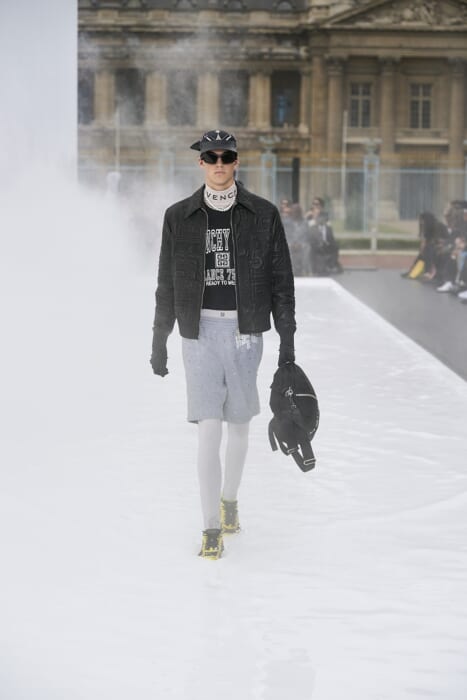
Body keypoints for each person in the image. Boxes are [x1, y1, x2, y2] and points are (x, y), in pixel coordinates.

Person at [150, 130, 296, 560]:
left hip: (246, 332)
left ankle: (229, 499)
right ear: (200, 162)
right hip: (198, 334)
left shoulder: (263, 215)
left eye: (225, 157)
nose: (218, 164)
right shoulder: (178, 216)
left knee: (239, 426)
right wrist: (159, 338)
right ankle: (210, 526)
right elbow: (166, 283)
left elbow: (282, 281)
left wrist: (287, 341)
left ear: (236, 161)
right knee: (208, 429)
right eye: (210, 157)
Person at [308, 201, 342, 276]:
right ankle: (314, 268)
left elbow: (331, 239)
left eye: (322, 217)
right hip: (316, 246)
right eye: (318, 217)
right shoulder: (311, 227)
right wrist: (318, 244)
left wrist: (328, 243)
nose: (320, 219)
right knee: (311, 248)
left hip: (326, 246)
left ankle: (331, 265)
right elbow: (310, 239)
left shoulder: (328, 227)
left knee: (335, 246)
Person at [282, 202, 312, 277]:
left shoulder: (305, 222)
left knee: (307, 247)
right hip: (289, 243)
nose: (296, 213)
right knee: (287, 248)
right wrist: (292, 243)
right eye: (294, 211)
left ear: (300, 212)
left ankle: (305, 270)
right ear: (291, 212)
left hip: (302, 244)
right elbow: (285, 235)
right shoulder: (286, 222)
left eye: (297, 211)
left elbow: (307, 235)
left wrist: (300, 244)